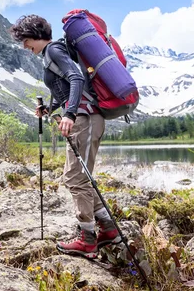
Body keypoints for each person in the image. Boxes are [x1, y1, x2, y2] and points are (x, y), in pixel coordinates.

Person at [9, 14, 119, 259]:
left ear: (36, 35)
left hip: (85, 118)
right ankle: (108, 229)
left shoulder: (54, 50)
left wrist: (69, 113)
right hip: (85, 118)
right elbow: (67, 87)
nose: (24, 46)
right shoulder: (52, 53)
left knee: (75, 178)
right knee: (80, 177)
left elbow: (76, 78)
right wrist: (52, 108)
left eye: (25, 40)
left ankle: (87, 238)